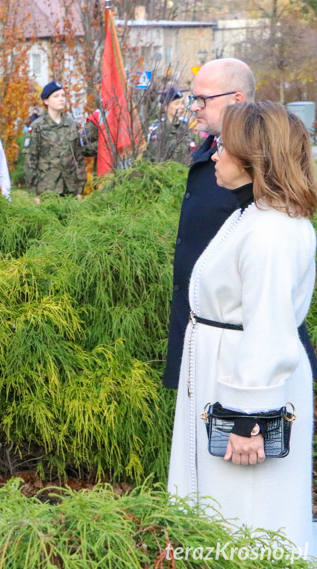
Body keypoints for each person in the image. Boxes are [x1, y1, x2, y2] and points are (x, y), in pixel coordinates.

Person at [168, 101, 317, 552]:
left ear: (254, 156)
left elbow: (269, 326)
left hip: (244, 383)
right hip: (222, 369)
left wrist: (249, 417)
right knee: (223, 506)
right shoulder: (250, 214)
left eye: (225, 148)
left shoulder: (270, 230)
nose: (214, 155)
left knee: (247, 513)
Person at [162, 58, 317, 391]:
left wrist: (249, 415)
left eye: (203, 99)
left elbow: (269, 311)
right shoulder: (211, 159)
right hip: (211, 341)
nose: (194, 108)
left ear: (236, 101)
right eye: (193, 98)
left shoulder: (269, 213)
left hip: (240, 357)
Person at [23, 81, 95, 199]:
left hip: (70, 189)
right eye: (56, 96)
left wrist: (79, 188)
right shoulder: (38, 126)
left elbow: (78, 158)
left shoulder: (71, 124)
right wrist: (34, 193)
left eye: (62, 95)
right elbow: (30, 161)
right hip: (47, 190)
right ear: (46, 101)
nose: (61, 99)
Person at [146, 87, 195, 164]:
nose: (181, 107)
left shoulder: (187, 128)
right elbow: (153, 157)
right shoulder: (158, 130)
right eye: (176, 103)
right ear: (165, 107)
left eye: (182, 103)